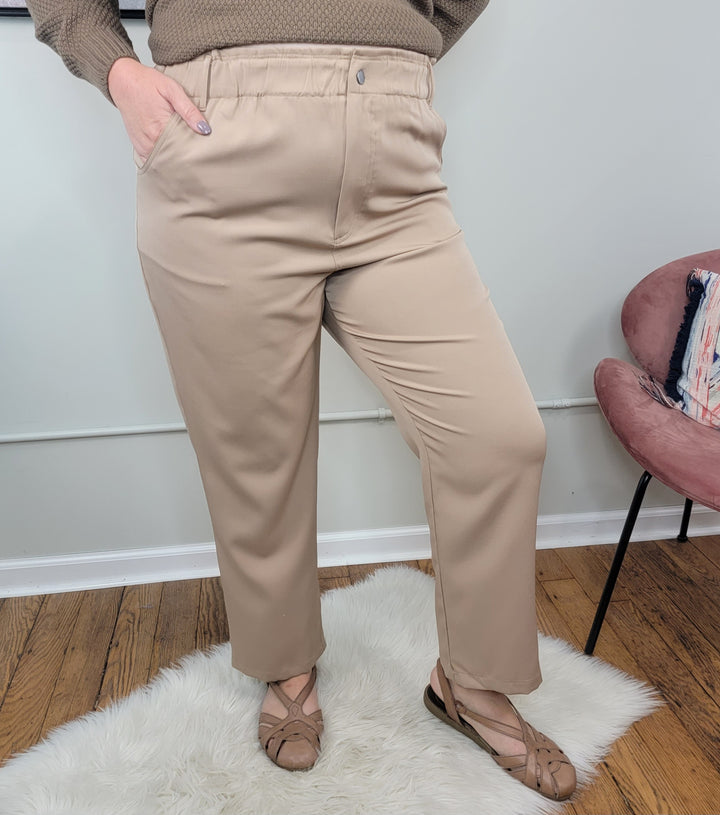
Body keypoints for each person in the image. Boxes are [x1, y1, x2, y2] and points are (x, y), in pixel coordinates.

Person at [24, 0, 577, 800]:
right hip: (219, 140)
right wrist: (117, 69)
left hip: (394, 156)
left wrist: (396, 51)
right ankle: (286, 668)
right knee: (258, 453)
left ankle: (474, 681)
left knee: (497, 437)